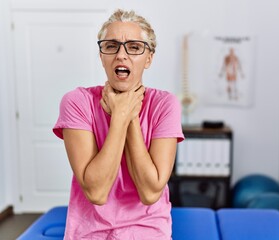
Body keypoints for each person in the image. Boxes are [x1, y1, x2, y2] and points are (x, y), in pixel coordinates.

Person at [53, 9, 184, 239]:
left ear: (149, 58)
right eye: (111, 46)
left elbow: (150, 192)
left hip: (148, 230)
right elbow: (96, 192)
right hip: (89, 231)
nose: (121, 55)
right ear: (101, 55)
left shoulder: (165, 105)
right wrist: (120, 118)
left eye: (134, 47)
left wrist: (127, 114)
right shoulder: (76, 102)